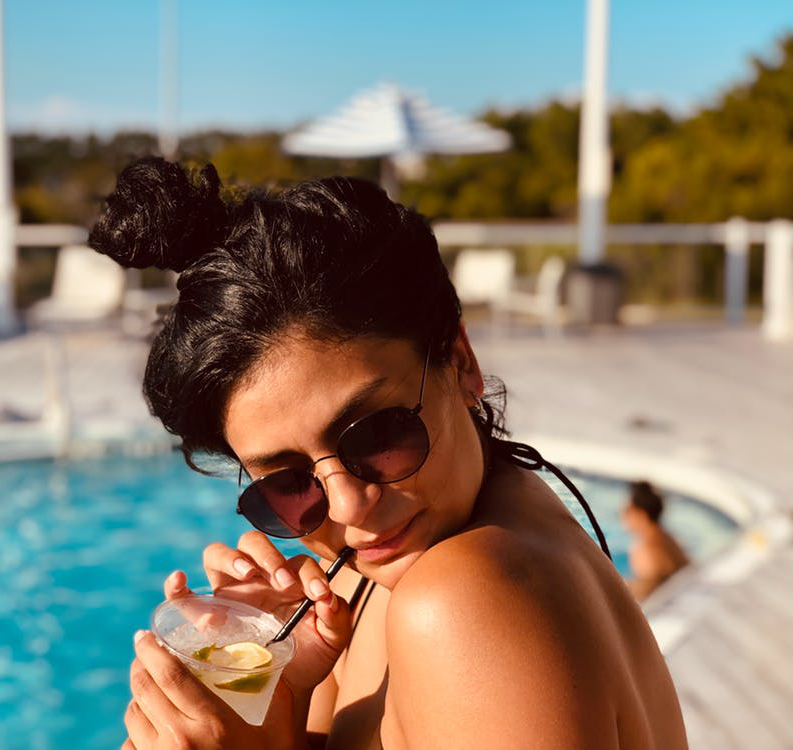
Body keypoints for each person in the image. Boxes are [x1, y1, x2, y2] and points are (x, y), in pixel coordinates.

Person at [89, 157, 688, 749]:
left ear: (460, 361)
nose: (348, 506)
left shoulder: (463, 602)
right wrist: (283, 695)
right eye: (290, 483)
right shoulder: (386, 570)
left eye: (377, 434)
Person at [622, 481, 690, 601]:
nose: (622, 512)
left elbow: (652, 594)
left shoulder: (647, 550)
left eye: (628, 508)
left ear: (641, 514)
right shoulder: (667, 539)